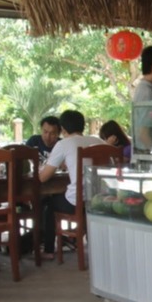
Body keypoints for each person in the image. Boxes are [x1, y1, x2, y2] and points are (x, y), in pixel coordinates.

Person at [39, 110, 105, 260]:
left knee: (49, 205)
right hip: (100, 200)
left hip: (77, 201)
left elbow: (43, 178)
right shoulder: (99, 142)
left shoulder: (64, 144)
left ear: (63, 129)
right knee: (60, 198)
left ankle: (48, 250)